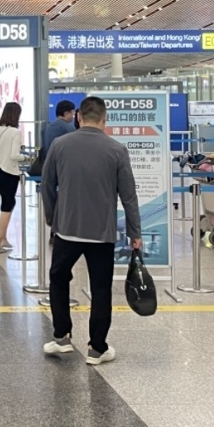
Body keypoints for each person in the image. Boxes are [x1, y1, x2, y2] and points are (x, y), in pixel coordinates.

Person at [42, 96, 142, 365]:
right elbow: (129, 196)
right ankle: (97, 348)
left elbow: (47, 185)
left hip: (67, 229)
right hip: (101, 233)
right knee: (100, 289)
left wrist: (53, 218)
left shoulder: (60, 145)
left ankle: (61, 336)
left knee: (58, 279)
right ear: (104, 119)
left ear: (78, 117)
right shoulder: (117, 150)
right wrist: (135, 233)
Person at [0, 102, 23, 254]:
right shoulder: (15, 132)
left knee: (7, 203)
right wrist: (26, 157)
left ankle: (3, 238)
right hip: (9, 172)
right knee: (8, 204)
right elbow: (14, 155)